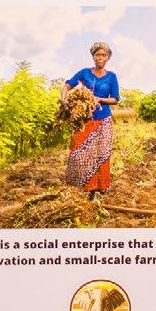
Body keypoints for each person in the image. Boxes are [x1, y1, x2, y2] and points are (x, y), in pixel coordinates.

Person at [61, 42, 119, 196]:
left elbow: (115, 99)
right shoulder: (84, 73)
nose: (100, 58)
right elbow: (67, 85)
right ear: (93, 57)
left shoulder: (111, 76)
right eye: (97, 55)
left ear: (108, 58)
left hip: (103, 120)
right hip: (84, 120)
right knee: (79, 152)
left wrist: (99, 99)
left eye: (103, 55)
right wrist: (64, 100)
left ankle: (100, 187)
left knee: (101, 154)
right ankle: (83, 185)